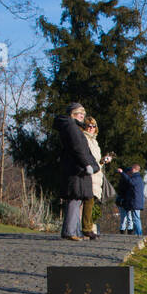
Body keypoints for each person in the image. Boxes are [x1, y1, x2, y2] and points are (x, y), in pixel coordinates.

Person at [53, 103, 96, 241]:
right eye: (79, 113)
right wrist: (87, 164)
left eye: (83, 114)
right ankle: (70, 231)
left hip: (75, 167)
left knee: (77, 199)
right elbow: (78, 148)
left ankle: (74, 230)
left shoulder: (72, 127)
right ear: (72, 115)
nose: (82, 116)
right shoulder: (71, 127)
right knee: (75, 198)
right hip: (76, 168)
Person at [80, 116, 113, 239]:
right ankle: (86, 228)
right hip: (90, 174)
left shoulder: (94, 141)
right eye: (89, 125)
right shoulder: (85, 139)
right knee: (88, 201)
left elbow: (96, 160)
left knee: (91, 201)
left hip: (97, 173)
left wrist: (103, 160)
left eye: (94, 126)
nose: (91, 128)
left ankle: (88, 226)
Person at [116, 163, 145, 237]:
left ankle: (139, 234)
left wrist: (122, 173)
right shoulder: (139, 178)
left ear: (134, 169)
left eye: (132, 169)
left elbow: (130, 182)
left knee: (136, 219)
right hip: (136, 201)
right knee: (135, 218)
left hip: (135, 202)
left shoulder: (136, 178)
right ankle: (137, 233)